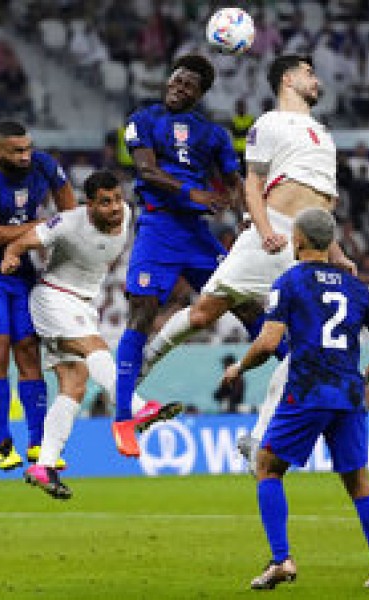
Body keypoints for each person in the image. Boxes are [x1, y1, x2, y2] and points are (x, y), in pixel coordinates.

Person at [137, 55, 356, 469]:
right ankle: (146, 360)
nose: (316, 79)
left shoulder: (323, 134)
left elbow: (323, 207)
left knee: (302, 353)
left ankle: (258, 440)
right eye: (309, 72)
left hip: (307, 250)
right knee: (204, 313)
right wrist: (263, 227)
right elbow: (251, 184)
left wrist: (337, 253)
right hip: (269, 234)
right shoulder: (269, 123)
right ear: (289, 80)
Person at [221, 209, 369, 590]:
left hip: (307, 390)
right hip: (348, 394)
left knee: (267, 467)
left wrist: (239, 367)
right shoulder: (357, 287)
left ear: (298, 240)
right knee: (358, 481)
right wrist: (365, 375)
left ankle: (281, 559)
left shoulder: (290, 282)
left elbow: (269, 342)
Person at [0, 170, 181, 496]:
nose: (115, 207)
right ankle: (135, 408)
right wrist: (12, 256)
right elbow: (22, 242)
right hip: (53, 298)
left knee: (74, 385)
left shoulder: (126, 214)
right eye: (105, 202)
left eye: (117, 199)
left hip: (83, 304)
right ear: (89, 205)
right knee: (93, 347)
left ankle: (45, 464)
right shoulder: (68, 224)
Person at [112, 54, 246, 456]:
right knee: (143, 311)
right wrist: (193, 194)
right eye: (175, 80)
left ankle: (298, 381)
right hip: (158, 227)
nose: (178, 87)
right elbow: (147, 171)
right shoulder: (143, 120)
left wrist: (244, 220)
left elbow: (234, 180)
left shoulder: (214, 135)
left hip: (197, 236)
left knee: (246, 306)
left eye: (188, 85)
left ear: (200, 93)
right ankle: (123, 418)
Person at [0, 120, 76, 471]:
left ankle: (38, 443)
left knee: (28, 350)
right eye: (17, 151)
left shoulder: (44, 164)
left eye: (28, 148)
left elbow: (68, 209)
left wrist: (56, 227)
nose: (26, 156)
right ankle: (2, 443)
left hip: (21, 271)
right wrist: (44, 228)